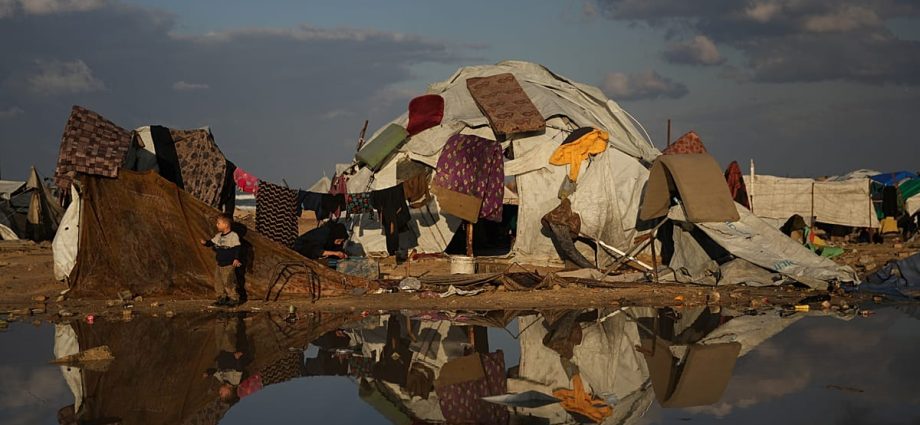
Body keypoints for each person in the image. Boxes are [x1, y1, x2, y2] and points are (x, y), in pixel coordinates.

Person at [200, 213, 243, 307]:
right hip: (219, 264)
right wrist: (205, 243)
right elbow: (211, 242)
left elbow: (237, 248)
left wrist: (236, 259)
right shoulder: (218, 236)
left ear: (226, 224)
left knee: (229, 282)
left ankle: (234, 299)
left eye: (218, 223)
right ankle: (221, 298)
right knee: (218, 282)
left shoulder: (233, 236)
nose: (217, 225)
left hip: (228, 264)